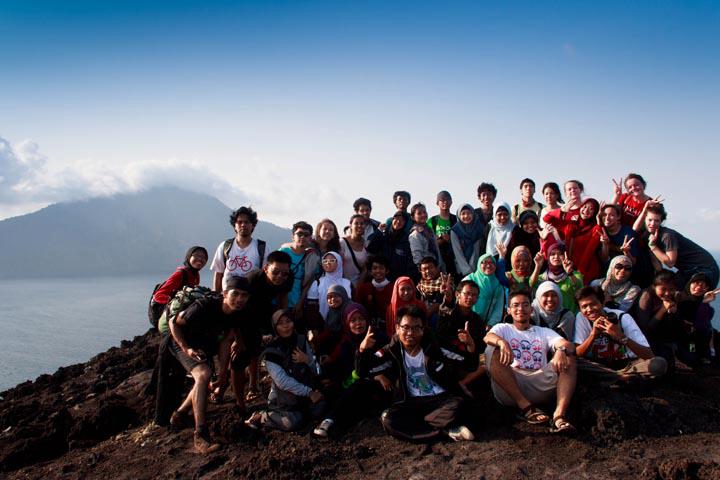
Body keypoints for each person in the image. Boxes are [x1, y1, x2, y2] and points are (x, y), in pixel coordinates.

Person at [357, 305, 477, 442]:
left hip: (441, 400)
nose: (410, 333)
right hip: (411, 402)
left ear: (423, 329)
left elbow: (469, 364)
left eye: (416, 328)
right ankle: (444, 432)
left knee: (460, 404)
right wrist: (362, 350)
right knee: (388, 419)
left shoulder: (435, 345)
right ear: (397, 328)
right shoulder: (392, 350)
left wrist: (470, 346)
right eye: (405, 327)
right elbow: (364, 371)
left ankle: (424, 424)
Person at [168, 275, 251, 453]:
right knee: (203, 375)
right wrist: (186, 348)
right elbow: (173, 323)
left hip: (204, 345)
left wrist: (222, 374)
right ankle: (200, 435)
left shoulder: (237, 313)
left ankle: (179, 414)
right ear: (225, 293)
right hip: (181, 342)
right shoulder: (203, 306)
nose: (239, 299)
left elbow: (225, 343)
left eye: (244, 295)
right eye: (235, 294)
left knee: (206, 379)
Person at [484, 289, 577, 433]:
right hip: (510, 385)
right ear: (509, 310)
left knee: (569, 357)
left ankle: (559, 416)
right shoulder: (503, 328)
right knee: (491, 350)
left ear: (531, 309)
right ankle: (526, 407)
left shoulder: (542, 331)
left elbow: (568, 345)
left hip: (539, 382)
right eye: (515, 305)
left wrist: (561, 350)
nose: (520, 309)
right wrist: (502, 343)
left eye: (525, 305)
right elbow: (488, 337)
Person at [218, 251, 294, 409]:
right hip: (244, 314)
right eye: (275, 272)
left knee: (258, 349)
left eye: (284, 273)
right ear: (266, 268)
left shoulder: (288, 276)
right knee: (239, 356)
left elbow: (282, 297)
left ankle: (253, 386)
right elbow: (237, 309)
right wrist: (238, 339)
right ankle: (237, 398)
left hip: (266, 310)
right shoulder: (252, 280)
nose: (280, 276)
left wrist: (282, 319)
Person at [313, 305, 392, 437]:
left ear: (367, 320)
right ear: (347, 323)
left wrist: (376, 375)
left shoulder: (379, 337)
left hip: (380, 387)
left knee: (357, 388)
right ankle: (334, 425)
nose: (358, 323)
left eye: (361, 319)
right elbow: (350, 369)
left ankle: (329, 420)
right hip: (357, 383)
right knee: (335, 391)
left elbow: (387, 361)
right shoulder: (347, 344)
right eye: (353, 320)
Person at [244, 310, 324, 431]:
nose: (286, 326)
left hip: (305, 394)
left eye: (288, 321)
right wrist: (309, 392)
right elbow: (283, 382)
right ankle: (262, 416)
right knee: (292, 422)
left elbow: (318, 370)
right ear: (275, 327)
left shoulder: (301, 341)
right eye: (281, 323)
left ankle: (304, 413)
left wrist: (308, 360)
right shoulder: (272, 352)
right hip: (284, 400)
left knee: (322, 408)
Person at [573, 286, 667, 383]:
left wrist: (622, 337)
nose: (589, 310)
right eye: (584, 307)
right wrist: (593, 335)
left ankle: (614, 379)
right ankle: (619, 378)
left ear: (602, 303)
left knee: (658, 364)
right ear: (580, 309)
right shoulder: (581, 318)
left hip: (626, 364)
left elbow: (649, 355)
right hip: (598, 366)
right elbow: (577, 353)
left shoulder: (622, 317)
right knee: (573, 361)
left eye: (593, 304)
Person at [633, 202, 719, 289]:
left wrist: (653, 246)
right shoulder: (647, 236)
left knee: (682, 295)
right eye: (650, 220)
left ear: (661, 221)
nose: (652, 224)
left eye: (657, 220)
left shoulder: (667, 236)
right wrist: (660, 279)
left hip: (705, 269)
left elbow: (670, 263)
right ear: (645, 219)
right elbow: (635, 230)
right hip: (688, 270)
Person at [436, 278, 488, 390]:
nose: (470, 297)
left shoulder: (477, 320)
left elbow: (481, 348)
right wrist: (448, 299)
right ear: (457, 294)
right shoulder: (448, 312)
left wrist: (471, 344)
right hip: (448, 359)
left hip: (469, 361)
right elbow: (440, 332)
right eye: (467, 293)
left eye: (474, 295)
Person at [632, 271, 683, 370]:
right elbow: (645, 329)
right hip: (644, 340)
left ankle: (676, 356)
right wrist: (662, 310)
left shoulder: (672, 297)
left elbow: (676, 327)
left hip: (664, 338)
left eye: (671, 289)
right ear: (654, 286)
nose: (667, 293)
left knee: (691, 352)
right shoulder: (646, 296)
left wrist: (674, 312)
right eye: (663, 289)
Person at [210, 206, 268, 291]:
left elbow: (267, 275)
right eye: (239, 222)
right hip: (228, 297)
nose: (243, 225)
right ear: (234, 226)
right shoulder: (225, 246)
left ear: (253, 225)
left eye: (247, 222)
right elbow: (218, 273)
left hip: (251, 298)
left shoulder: (262, 248)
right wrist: (216, 294)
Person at [150, 246, 208, 327]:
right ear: (189, 256)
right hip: (165, 314)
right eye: (197, 255)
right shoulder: (181, 274)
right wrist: (176, 302)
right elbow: (158, 296)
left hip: (180, 311)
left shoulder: (195, 274)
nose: (200, 259)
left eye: (204, 257)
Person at [530, 243, 583, 314]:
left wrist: (570, 273)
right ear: (548, 257)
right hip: (547, 318)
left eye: (560, 254)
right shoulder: (543, 277)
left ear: (565, 256)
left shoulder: (574, 274)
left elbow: (578, 286)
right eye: (552, 254)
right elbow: (531, 284)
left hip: (569, 318)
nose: (556, 257)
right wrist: (538, 266)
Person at [367, 210, 416, 281]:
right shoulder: (383, 235)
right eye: (396, 219)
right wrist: (378, 231)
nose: (398, 222)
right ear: (392, 219)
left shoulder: (407, 240)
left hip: (398, 279)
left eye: (402, 220)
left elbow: (409, 263)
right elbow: (370, 248)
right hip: (381, 278)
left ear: (405, 223)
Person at [279, 222, 314, 318]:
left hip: (296, 303)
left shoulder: (310, 258)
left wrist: (300, 303)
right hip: (277, 301)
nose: (302, 237)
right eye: (299, 234)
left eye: (306, 235)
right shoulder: (283, 252)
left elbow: (308, 283)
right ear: (293, 237)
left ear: (310, 239)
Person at [306, 251, 352, 325]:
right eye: (325, 261)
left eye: (332, 260)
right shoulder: (317, 283)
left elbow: (353, 304)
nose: (328, 263)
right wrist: (314, 327)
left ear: (339, 263)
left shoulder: (347, 283)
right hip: (322, 324)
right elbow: (312, 309)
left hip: (345, 323)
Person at [463, 253, 506, 327]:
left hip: (485, 325)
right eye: (484, 262)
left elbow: (498, 308)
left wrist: (490, 324)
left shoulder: (498, 286)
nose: (488, 265)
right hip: (465, 321)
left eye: (491, 262)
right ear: (479, 264)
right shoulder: (469, 280)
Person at [354, 255, 394, 330]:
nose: (378, 271)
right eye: (375, 268)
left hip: (389, 327)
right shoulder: (363, 288)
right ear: (370, 271)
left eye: (381, 268)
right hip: (368, 328)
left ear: (387, 270)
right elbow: (358, 309)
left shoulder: (393, 288)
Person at [450, 204, 485, 277]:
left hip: (478, 269)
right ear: (459, 215)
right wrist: (467, 271)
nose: (466, 216)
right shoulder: (455, 231)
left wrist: (476, 268)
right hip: (462, 270)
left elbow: (478, 249)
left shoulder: (480, 228)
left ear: (473, 214)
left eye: (469, 213)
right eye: (463, 213)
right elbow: (457, 252)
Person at [428, 190, 457, 276]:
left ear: (451, 202)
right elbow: (428, 240)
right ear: (437, 203)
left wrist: (450, 239)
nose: (445, 202)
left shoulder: (456, 219)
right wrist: (441, 237)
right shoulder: (432, 220)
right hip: (437, 257)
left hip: (453, 258)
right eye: (442, 200)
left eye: (447, 199)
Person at [409, 203, 444, 271]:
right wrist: (424, 271)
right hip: (427, 271)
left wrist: (442, 268)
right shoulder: (415, 234)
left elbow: (437, 252)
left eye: (424, 212)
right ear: (413, 217)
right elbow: (417, 257)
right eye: (419, 213)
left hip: (437, 269)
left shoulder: (430, 231)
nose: (423, 215)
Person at [340, 214, 369, 286]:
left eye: (362, 223)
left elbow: (365, 269)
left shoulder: (366, 244)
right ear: (350, 226)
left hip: (359, 285)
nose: (359, 226)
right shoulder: (342, 242)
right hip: (343, 284)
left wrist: (358, 287)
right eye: (356, 223)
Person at [416, 256, 445, 322]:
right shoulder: (419, 286)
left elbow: (438, 304)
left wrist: (423, 317)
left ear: (437, 268)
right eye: (424, 269)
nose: (428, 271)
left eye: (430, 268)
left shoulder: (444, 283)